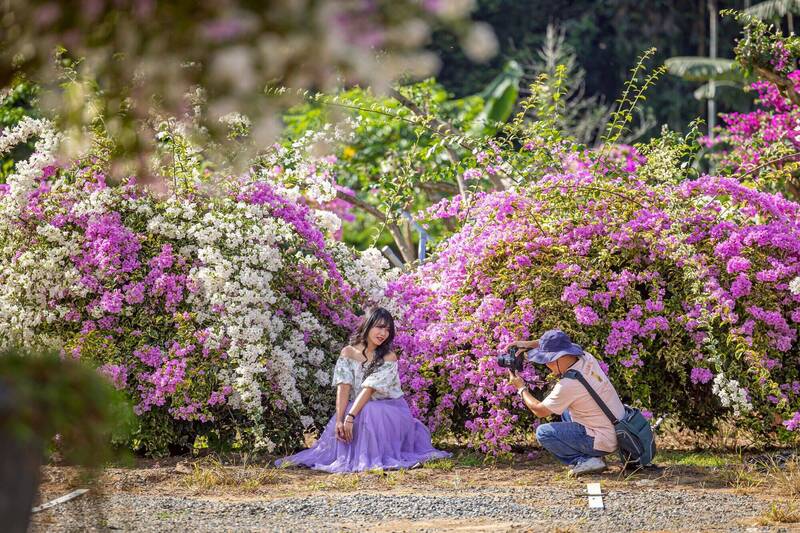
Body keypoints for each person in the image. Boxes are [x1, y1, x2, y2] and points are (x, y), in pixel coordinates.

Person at [276, 307, 450, 472]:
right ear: (367, 325)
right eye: (379, 327)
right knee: (356, 413)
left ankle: (369, 457)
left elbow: (369, 389)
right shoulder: (348, 353)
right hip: (359, 408)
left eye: (388, 330)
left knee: (367, 410)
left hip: (389, 410)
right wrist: (340, 419)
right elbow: (343, 388)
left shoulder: (389, 357)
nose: (383, 333)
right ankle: (351, 454)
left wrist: (350, 417)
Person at [507, 329, 625, 476]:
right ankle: (594, 455)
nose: (547, 365)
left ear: (559, 357)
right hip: (616, 429)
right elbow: (560, 344)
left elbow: (539, 410)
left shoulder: (568, 385)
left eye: (548, 360)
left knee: (544, 433)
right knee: (563, 408)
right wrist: (527, 344)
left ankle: (587, 460)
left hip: (603, 439)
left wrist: (521, 388)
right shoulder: (586, 358)